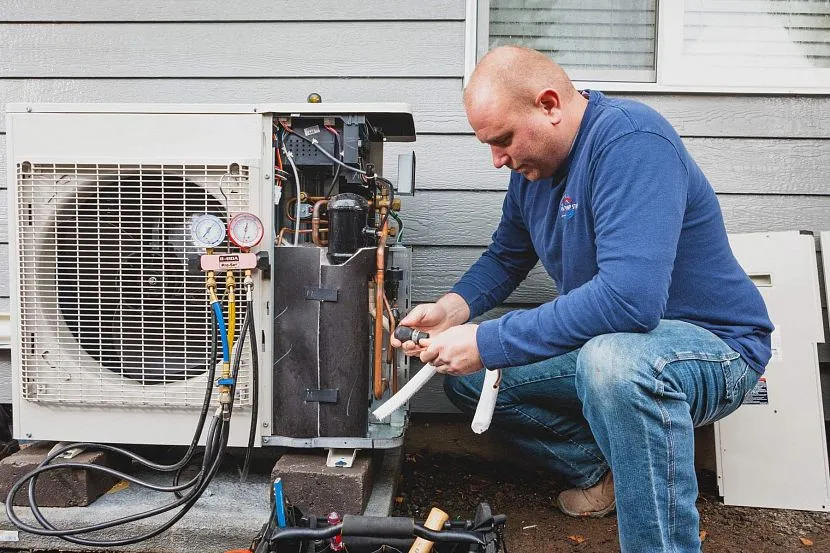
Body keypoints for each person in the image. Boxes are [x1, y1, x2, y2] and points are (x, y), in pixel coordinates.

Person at [390, 45, 773, 553]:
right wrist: (452, 310)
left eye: (502, 140)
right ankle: (603, 471)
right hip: (614, 347)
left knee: (613, 362)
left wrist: (488, 337)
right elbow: (507, 256)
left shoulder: (632, 143)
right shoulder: (533, 172)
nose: (496, 158)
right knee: (470, 378)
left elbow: (631, 301)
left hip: (712, 348)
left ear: (549, 104)